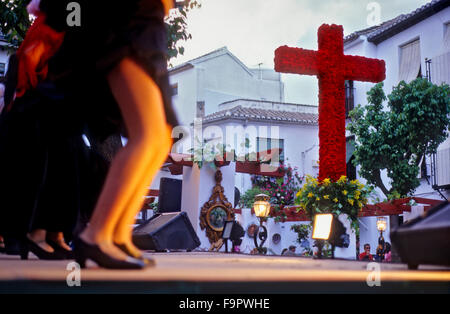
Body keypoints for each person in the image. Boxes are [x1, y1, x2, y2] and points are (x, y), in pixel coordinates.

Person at [38, 0, 177, 269]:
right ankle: (96, 234)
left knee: (160, 138)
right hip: (124, 23)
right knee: (147, 134)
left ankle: (116, 233)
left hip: (146, 24)